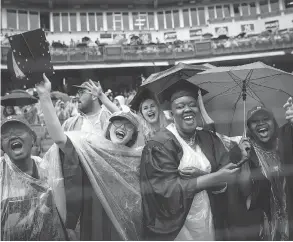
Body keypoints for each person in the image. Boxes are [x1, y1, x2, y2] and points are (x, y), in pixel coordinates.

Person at [36, 74, 144, 240]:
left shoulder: (131, 150)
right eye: (117, 123)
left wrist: (103, 97)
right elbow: (59, 139)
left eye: (82, 92)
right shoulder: (81, 135)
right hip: (88, 206)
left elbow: (136, 126)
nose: (77, 96)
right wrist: (44, 96)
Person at [140, 80, 248, 240]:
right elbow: (164, 191)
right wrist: (212, 178)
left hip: (210, 219)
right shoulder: (159, 144)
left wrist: (241, 155)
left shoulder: (208, 138)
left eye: (192, 104)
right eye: (180, 106)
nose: (187, 110)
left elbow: (227, 174)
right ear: (171, 112)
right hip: (177, 228)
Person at [0, 115, 67, 240]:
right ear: (1, 146)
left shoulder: (48, 171)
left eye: (19, 131)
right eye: (5, 135)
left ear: (33, 139)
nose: (13, 136)